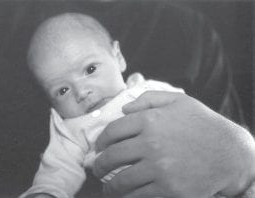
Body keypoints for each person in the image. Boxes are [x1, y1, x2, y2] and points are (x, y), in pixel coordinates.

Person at [19, 12, 185, 198]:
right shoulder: (71, 130)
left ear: (118, 57)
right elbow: (58, 170)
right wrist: (46, 193)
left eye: (90, 70)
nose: (82, 92)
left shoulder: (149, 91)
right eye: (62, 90)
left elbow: (198, 119)